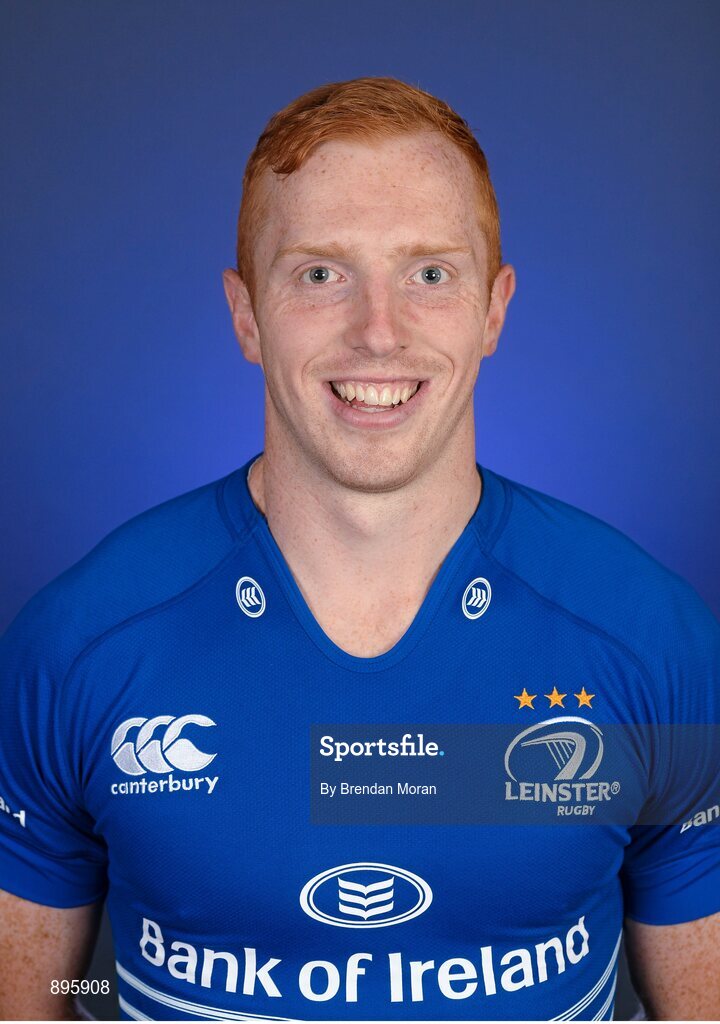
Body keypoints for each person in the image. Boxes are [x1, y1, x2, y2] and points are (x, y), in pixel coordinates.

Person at [1, 76, 718, 1023]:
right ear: (245, 314)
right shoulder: (78, 645)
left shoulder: (650, 641)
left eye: (429, 273)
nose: (377, 332)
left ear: (494, 310)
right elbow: (36, 1003)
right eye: (319, 273)